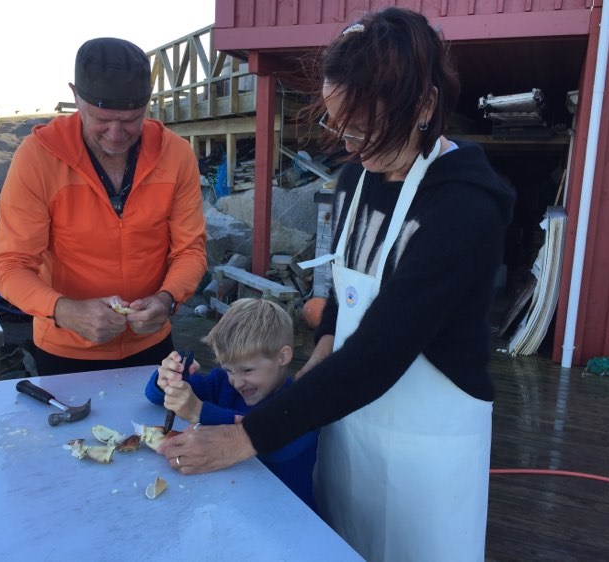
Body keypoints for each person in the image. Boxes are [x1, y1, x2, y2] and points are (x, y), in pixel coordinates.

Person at [158, 8, 516, 562]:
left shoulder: (462, 208)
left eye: (370, 129)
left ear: (424, 107)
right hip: (350, 422)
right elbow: (344, 294)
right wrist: (323, 344)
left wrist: (245, 436)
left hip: (428, 445)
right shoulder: (355, 180)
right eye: (343, 127)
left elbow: (381, 348)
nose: (355, 147)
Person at [0, 37, 207, 376]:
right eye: (102, 119)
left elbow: (190, 251)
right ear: (76, 97)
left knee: (158, 432)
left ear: (148, 104)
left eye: (132, 119)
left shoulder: (176, 155)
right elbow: (10, 265)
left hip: (152, 343)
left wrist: (168, 299)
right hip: (64, 348)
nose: (117, 135)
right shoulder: (37, 158)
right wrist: (63, 310)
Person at [145, 298, 319, 510]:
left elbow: (270, 442)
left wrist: (200, 412)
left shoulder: (302, 405)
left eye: (247, 370)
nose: (236, 382)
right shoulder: (221, 383)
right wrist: (167, 380)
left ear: (283, 356)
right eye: (229, 370)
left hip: (287, 517)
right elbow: (154, 398)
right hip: (232, 507)